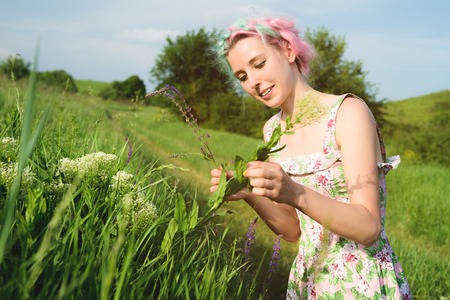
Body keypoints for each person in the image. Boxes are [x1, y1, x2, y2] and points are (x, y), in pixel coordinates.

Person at [210, 17, 412, 299]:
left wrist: (294, 191)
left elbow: (368, 227)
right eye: (242, 76)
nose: (253, 82)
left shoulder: (347, 113)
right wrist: (249, 193)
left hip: (362, 281)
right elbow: (293, 230)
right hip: (310, 281)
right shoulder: (272, 130)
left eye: (259, 64)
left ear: (288, 51)